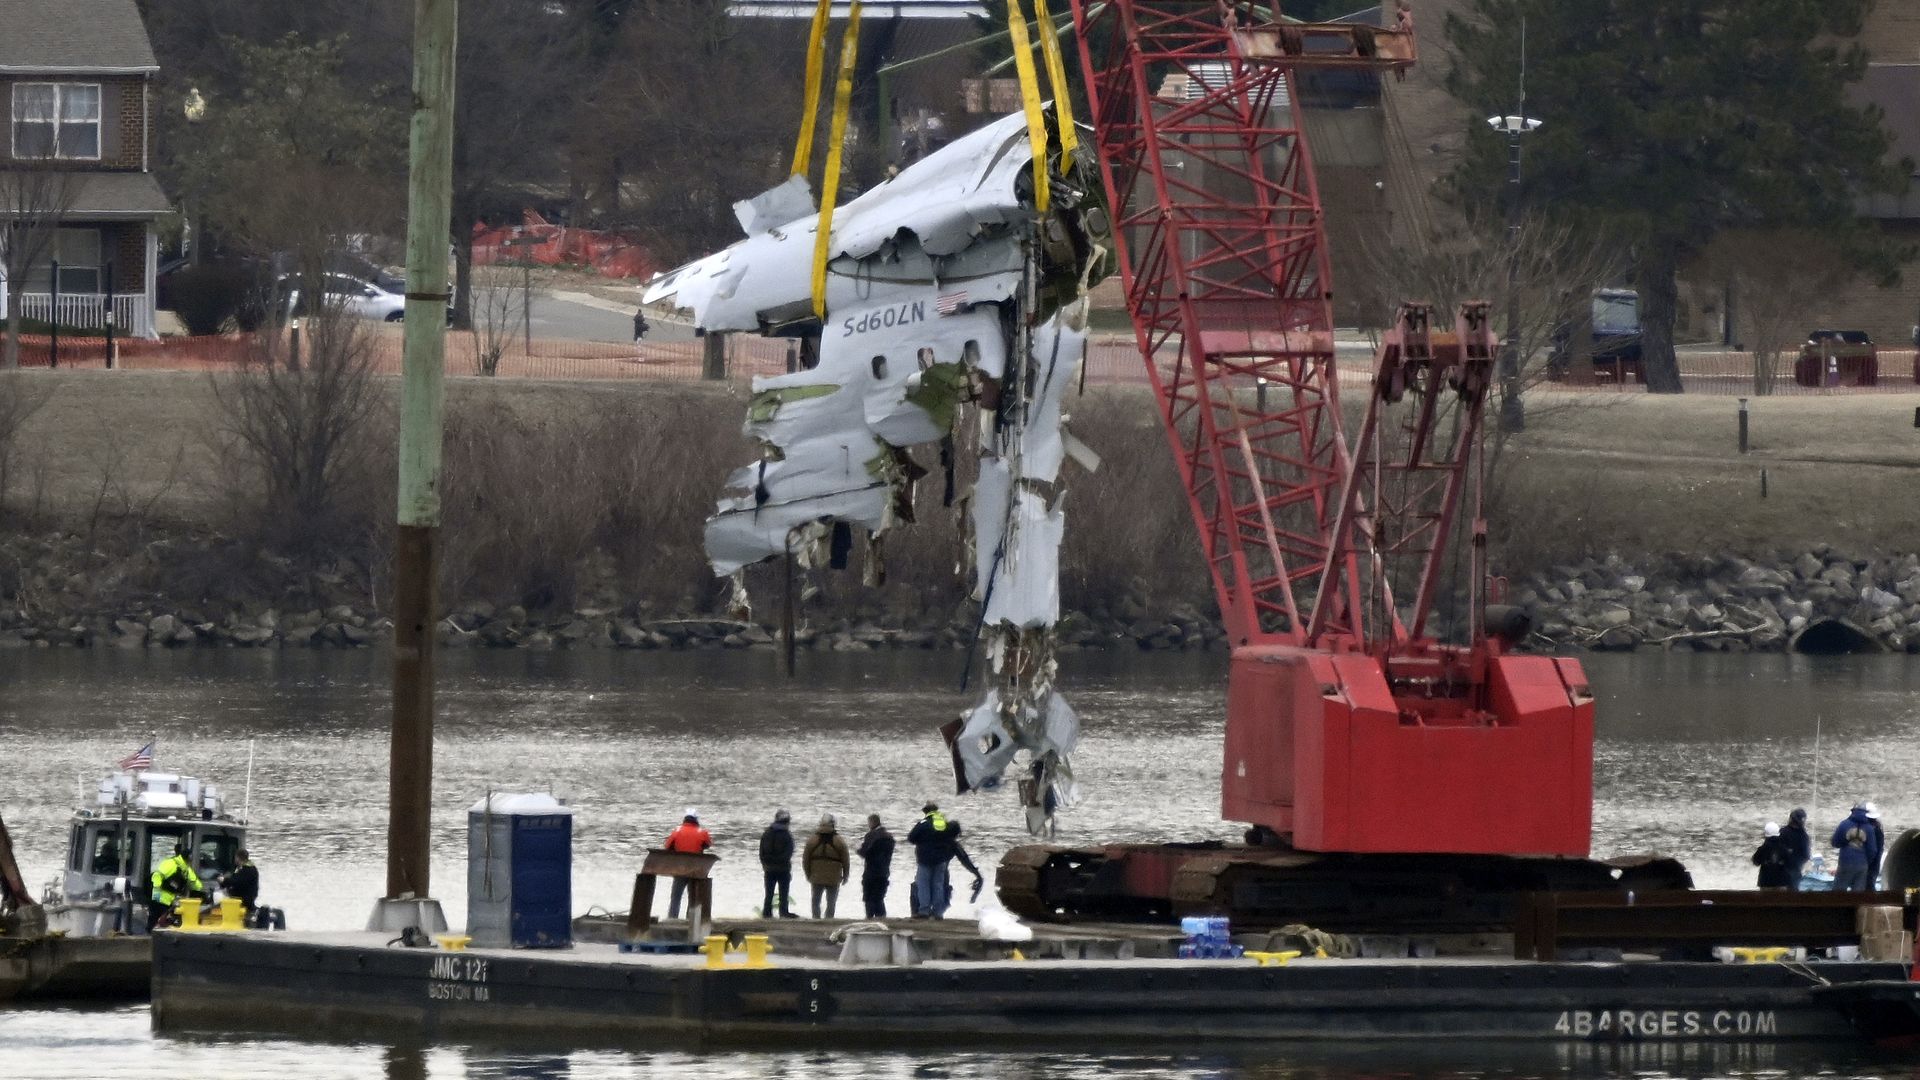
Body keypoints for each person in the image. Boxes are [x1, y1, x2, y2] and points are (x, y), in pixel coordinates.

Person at [907, 801, 963, 919]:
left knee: (923, 884)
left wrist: (921, 841)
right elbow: (950, 837)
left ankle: (924, 910)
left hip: (925, 859)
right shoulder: (943, 822)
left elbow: (911, 838)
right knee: (938, 885)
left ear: (926, 811)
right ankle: (938, 912)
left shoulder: (923, 823)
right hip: (941, 859)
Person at [662, 808, 712, 920]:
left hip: (679, 869)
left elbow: (667, 847)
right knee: (693, 897)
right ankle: (690, 920)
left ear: (685, 819)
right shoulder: (702, 832)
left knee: (676, 897)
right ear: (696, 819)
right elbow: (708, 844)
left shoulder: (677, 830)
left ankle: (672, 919)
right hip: (696, 871)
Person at [802, 814, 851, 919]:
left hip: (816, 876)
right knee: (831, 901)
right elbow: (846, 860)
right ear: (833, 824)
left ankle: (816, 919)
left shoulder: (812, 840)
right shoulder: (840, 841)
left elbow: (805, 860)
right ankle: (829, 919)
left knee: (815, 900)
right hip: (834, 877)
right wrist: (846, 876)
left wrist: (808, 874)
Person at [148, 842, 203, 931]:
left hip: (164, 898)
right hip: (161, 897)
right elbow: (197, 885)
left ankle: (151, 934)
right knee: (157, 918)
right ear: (189, 859)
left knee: (155, 919)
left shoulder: (175, 865)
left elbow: (196, 884)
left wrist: (156, 892)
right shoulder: (184, 869)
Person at [758, 809, 797, 918]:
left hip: (769, 869)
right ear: (787, 821)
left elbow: (761, 852)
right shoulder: (787, 835)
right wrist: (782, 862)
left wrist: (765, 864)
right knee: (783, 893)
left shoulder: (767, 833)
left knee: (769, 893)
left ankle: (767, 913)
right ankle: (783, 912)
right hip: (783, 869)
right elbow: (789, 853)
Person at [856, 814, 894, 918]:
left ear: (872, 822)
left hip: (871, 871)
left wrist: (857, 849)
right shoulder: (889, 837)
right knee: (879, 897)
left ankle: (870, 918)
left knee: (868, 897)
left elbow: (865, 852)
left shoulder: (871, 835)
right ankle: (881, 918)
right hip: (884, 871)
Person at [1833, 802, 1876, 892]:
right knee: (1858, 895)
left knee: (1838, 894)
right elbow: (1872, 850)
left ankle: (1838, 906)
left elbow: (1835, 843)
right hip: (1862, 865)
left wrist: (1845, 842)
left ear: (1852, 811)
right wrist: (1866, 861)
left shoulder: (1844, 824)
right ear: (1865, 813)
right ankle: (1855, 906)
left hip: (1845, 862)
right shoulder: (1869, 828)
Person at [1779, 808, 1813, 891]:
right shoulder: (1804, 836)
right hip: (1795, 869)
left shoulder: (1782, 832)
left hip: (1781, 869)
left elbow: (1776, 850)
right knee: (1793, 895)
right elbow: (1806, 855)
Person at [1752, 823, 1794, 889]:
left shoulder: (1762, 849)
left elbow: (1755, 861)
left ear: (1766, 835)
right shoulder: (1784, 849)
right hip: (1781, 883)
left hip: (1765, 883)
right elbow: (1791, 864)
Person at [223, 848, 260, 918]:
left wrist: (224, 880)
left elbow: (237, 882)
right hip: (244, 897)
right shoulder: (243, 868)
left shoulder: (248, 870)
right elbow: (234, 879)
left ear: (237, 858)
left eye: (235, 857)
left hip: (245, 899)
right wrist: (225, 880)